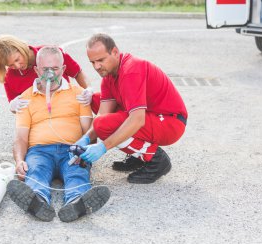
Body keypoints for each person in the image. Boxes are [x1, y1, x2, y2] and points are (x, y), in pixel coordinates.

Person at [7, 46, 110, 222]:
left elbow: (89, 131)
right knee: (35, 170)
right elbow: (21, 138)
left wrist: (83, 150)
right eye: (45, 69)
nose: (49, 73)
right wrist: (19, 161)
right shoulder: (25, 99)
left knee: (76, 172)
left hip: (71, 150)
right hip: (39, 151)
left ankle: (77, 202)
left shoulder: (79, 94)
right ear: (36, 70)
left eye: (54, 69)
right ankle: (36, 201)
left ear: (63, 69)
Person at [75, 33, 188, 184]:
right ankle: (138, 155)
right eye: (92, 62)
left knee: (103, 125)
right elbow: (103, 113)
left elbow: (137, 119)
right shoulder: (108, 75)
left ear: (115, 52)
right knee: (95, 100)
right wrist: (86, 140)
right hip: (151, 116)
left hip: (170, 122)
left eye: (101, 60)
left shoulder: (131, 71)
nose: (97, 67)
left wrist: (103, 147)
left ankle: (156, 160)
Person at [0, 34, 93, 113]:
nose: (17, 66)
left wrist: (88, 89)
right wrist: (13, 106)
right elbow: (14, 106)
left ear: (21, 48)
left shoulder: (51, 53)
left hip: (66, 107)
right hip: (38, 117)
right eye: (11, 65)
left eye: (17, 59)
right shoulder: (9, 76)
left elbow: (77, 73)